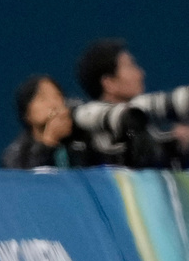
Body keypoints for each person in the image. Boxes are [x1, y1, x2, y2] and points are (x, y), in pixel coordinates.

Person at [74, 39, 189, 168]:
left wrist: (177, 143)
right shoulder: (90, 119)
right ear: (109, 83)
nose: (141, 74)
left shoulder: (140, 117)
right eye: (130, 66)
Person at [1, 75, 84, 169]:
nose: (53, 104)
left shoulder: (78, 142)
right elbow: (28, 180)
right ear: (27, 114)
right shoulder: (18, 153)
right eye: (42, 99)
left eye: (57, 96)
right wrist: (49, 141)